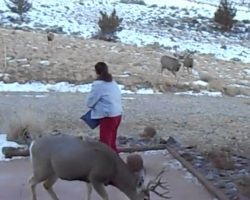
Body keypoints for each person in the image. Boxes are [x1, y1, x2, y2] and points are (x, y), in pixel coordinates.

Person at [86, 62, 122, 153]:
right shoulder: (113, 82)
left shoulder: (98, 84)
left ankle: (108, 165)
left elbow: (90, 102)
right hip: (117, 114)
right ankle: (115, 162)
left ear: (96, 71)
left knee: (105, 144)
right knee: (112, 142)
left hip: (108, 116)